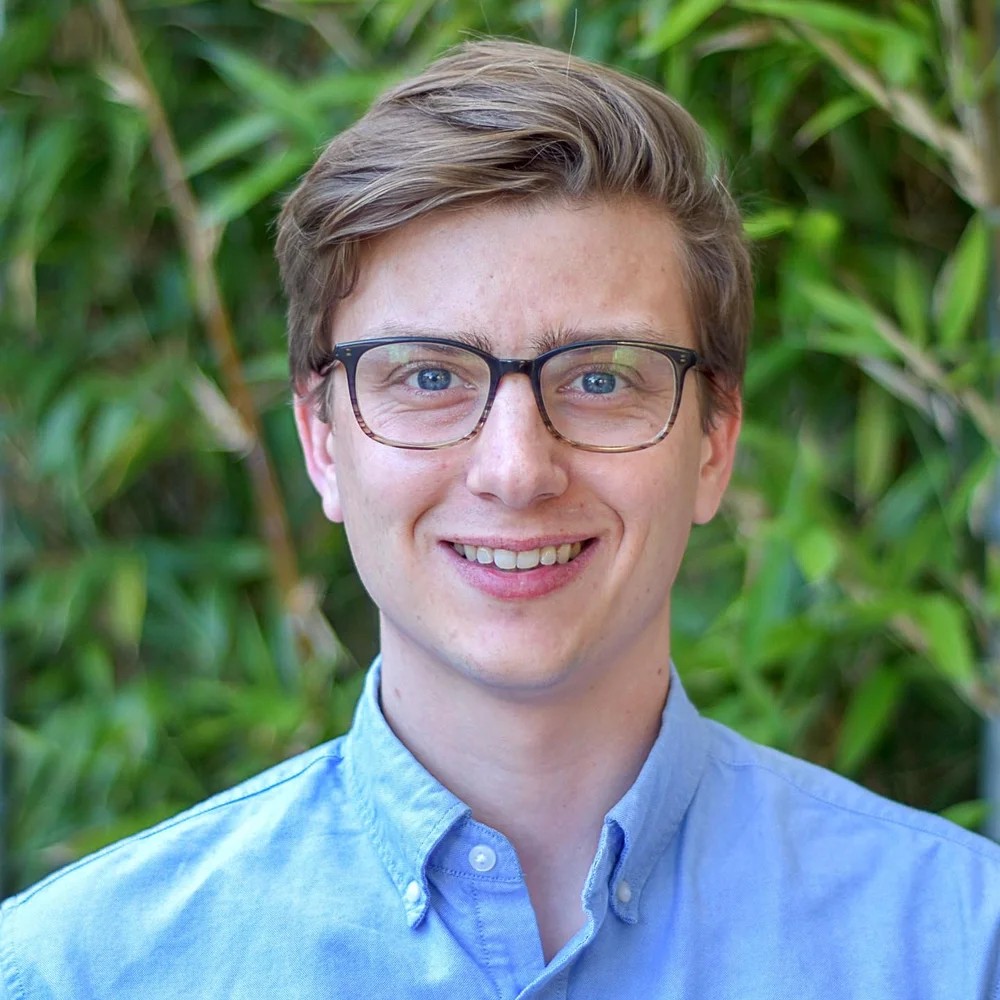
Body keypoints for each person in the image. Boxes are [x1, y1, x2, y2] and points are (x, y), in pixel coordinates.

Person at [2, 37, 998, 999]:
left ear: (713, 441)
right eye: (429, 375)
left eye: (601, 377)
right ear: (320, 441)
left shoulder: (960, 947)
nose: (516, 469)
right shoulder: (77, 973)